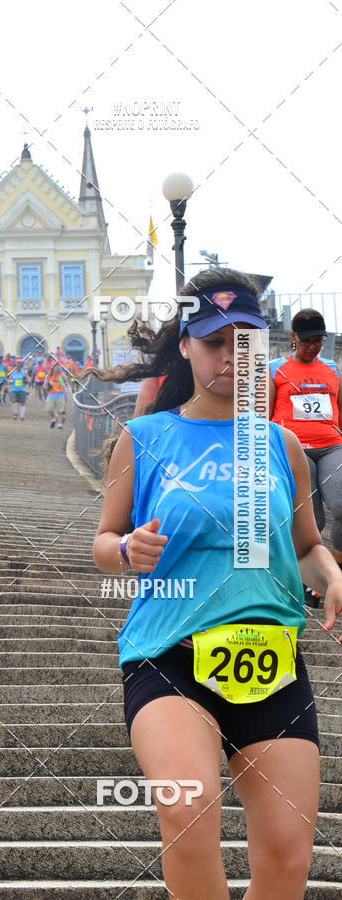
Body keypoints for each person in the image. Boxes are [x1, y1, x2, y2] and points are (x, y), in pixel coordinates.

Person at [92, 268, 342, 900]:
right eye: (213, 341)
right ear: (186, 346)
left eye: (245, 341)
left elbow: (306, 546)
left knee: (287, 863)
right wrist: (127, 549)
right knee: (189, 807)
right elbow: (102, 542)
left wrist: (331, 574)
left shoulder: (282, 446)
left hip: (272, 664)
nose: (232, 357)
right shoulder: (144, 439)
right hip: (168, 657)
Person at [269, 309, 342, 605]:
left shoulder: (332, 368)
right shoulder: (275, 369)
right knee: (312, 518)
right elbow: (265, 415)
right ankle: (309, 581)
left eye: (318, 341)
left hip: (331, 445)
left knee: (341, 503)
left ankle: (335, 572)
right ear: (293, 338)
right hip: (294, 448)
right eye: (307, 341)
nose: (313, 346)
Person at [45, 363, 67, 429]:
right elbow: (45, 385)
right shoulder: (49, 376)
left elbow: (66, 381)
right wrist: (48, 386)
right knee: (49, 409)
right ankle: (54, 418)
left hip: (61, 394)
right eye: (55, 368)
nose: (56, 369)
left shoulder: (61, 375)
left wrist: (61, 372)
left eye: (58, 368)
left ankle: (59, 425)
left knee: (61, 411)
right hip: (51, 394)